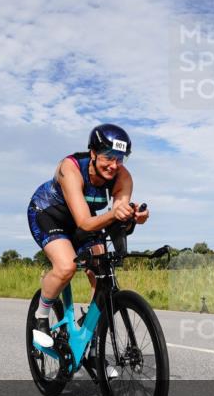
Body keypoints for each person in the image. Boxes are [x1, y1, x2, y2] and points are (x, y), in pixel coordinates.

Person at [27, 124, 149, 350]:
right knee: (66, 268)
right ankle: (41, 316)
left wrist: (132, 215)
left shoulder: (123, 177)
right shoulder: (70, 168)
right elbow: (83, 222)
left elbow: (118, 211)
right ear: (93, 153)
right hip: (48, 214)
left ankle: (90, 336)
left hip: (85, 219)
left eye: (120, 159)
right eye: (108, 157)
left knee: (103, 273)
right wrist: (114, 214)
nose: (114, 165)